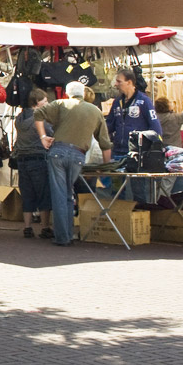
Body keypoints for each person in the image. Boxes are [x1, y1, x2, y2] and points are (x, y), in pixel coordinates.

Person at [34, 82, 112, 246]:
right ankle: (67, 234)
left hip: (58, 152)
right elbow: (105, 143)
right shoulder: (95, 111)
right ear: (83, 93)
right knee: (69, 195)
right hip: (78, 154)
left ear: (67, 93)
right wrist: (107, 168)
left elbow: (38, 114)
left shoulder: (61, 104)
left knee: (60, 195)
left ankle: (62, 237)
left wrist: (43, 137)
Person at [106, 69, 161, 202]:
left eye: (119, 81)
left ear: (129, 82)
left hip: (136, 154)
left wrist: (152, 149)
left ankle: (140, 218)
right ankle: (119, 218)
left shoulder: (144, 101)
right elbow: (109, 125)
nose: (116, 84)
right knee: (117, 190)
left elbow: (156, 128)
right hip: (118, 153)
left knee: (138, 189)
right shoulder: (117, 102)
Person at [13, 89, 53, 239]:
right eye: (45, 101)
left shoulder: (19, 118)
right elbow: (51, 133)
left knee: (27, 194)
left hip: (22, 159)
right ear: (37, 103)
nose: (47, 103)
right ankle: (45, 227)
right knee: (43, 193)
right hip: (38, 158)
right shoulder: (40, 118)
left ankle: (27, 227)